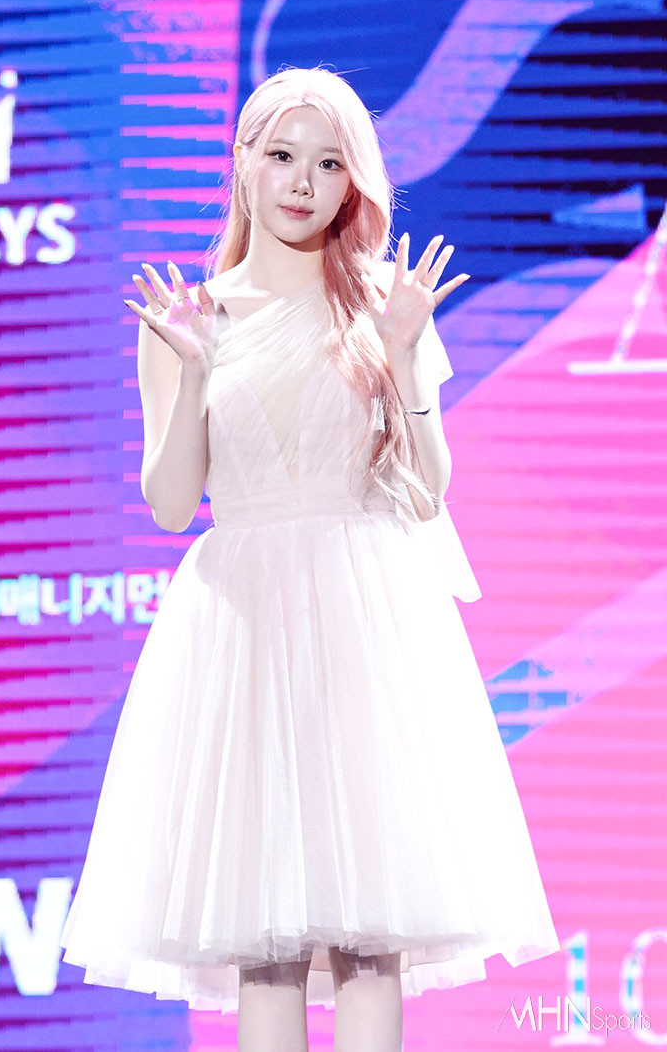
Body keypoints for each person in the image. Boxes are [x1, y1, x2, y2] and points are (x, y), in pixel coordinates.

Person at [60, 66, 560, 1052]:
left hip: (365, 621)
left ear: (352, 184)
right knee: (266, 943)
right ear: (242, 164)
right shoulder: (189, 319)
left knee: (372, 940)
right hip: (242, 626)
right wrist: (193, 369)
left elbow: (430, 489)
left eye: (330, 164)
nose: (303, 181)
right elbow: (171, 506)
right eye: (283, 156)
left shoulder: (383, 305)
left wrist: (406, 355)